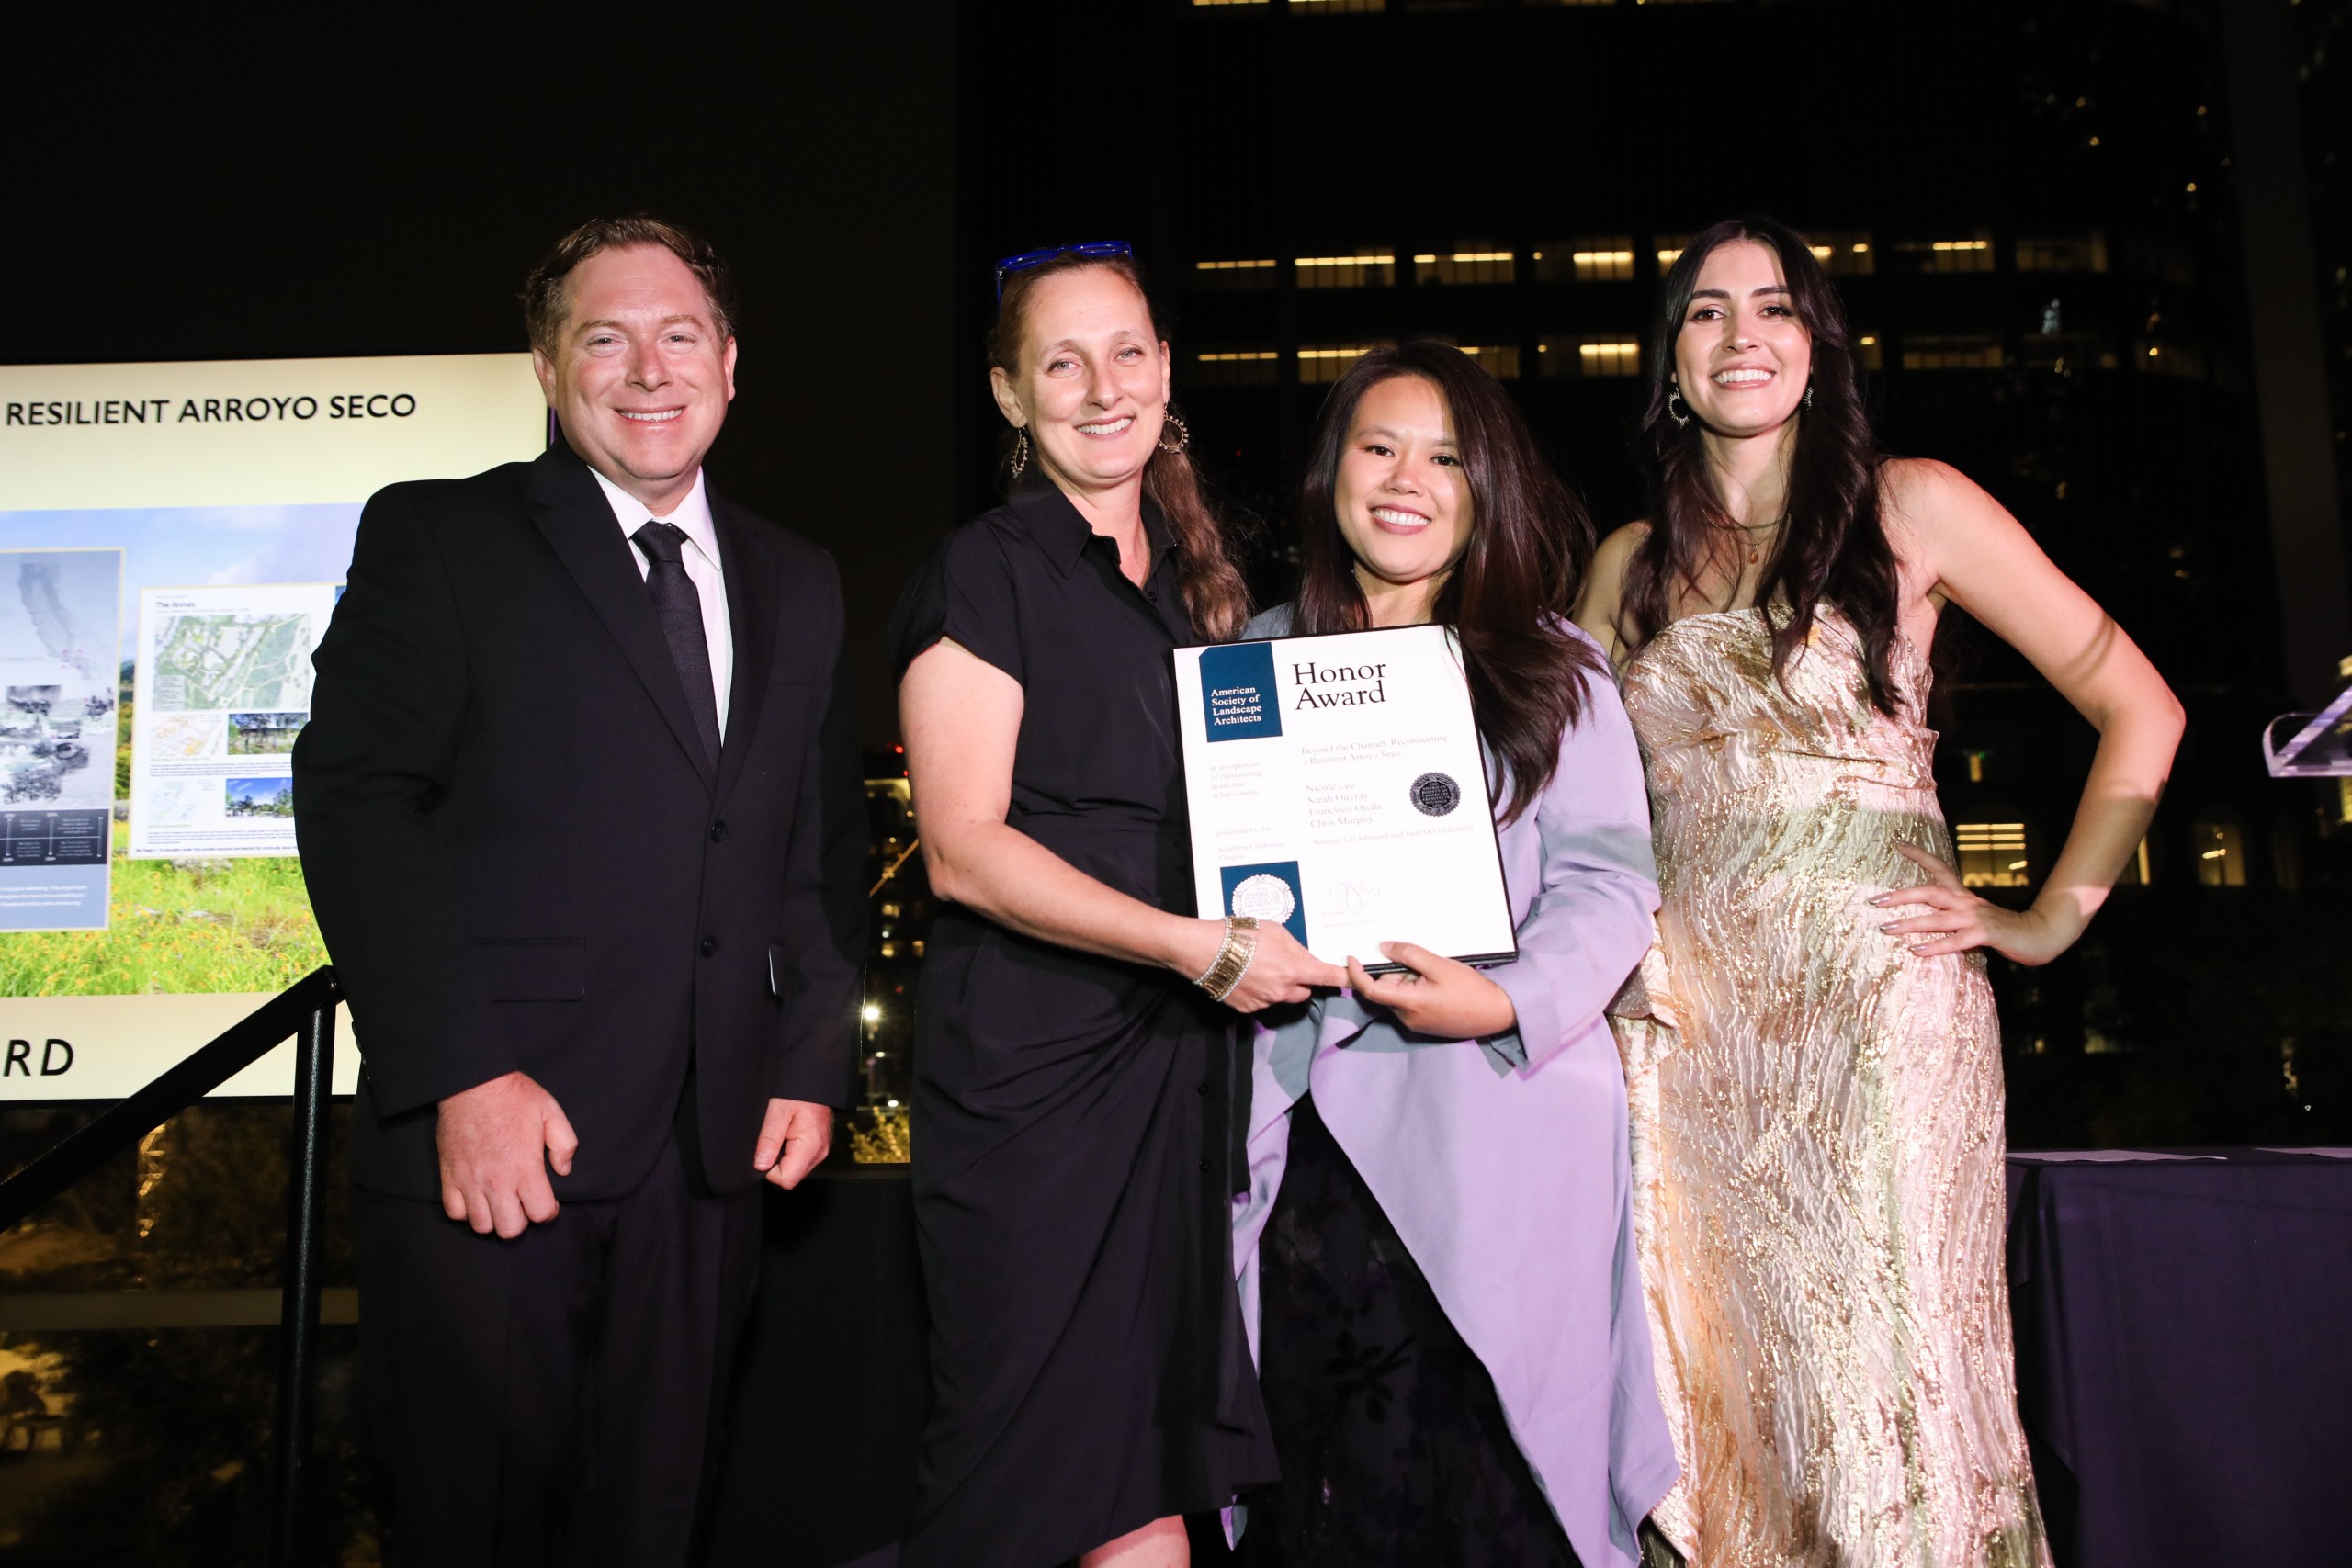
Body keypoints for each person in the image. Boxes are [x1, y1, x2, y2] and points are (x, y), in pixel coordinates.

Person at [1577, 218, 2185, 1567]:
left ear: (1818, 346)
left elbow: (2143, 708)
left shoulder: (1915, 505)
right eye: (1707, 311)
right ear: (1670, 360)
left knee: (1886, 1395)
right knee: (1726, 1404)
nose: (1742, 335)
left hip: (1878, 1026)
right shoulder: (1626, 564)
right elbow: (1568, 811)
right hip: (1690, 1051)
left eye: (1775, 307)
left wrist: (2046, 920)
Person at [294, 216, 866, 1566]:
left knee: (657, 1529)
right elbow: (359, 803)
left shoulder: (799, 579)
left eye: (679, 336)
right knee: (481, 1531)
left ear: (730, 363)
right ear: (548, 371)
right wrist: (462, 1074)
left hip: (714, 1157)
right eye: (605, 339)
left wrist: (808, 1062)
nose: (648, 370)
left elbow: (814, 847)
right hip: (502, 1145)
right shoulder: (441, 536)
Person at [889, 243, 1337, 1568]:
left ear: (1167, 371)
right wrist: (1195, 949)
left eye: (1126, 353)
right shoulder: (986, 569)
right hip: (1034, 1083)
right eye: (1062, 363)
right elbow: (962, 851)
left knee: (1145, 1473)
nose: (1102, 389)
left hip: (1178, 1080)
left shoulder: (1195, 591)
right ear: (1009, 395)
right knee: (1022, 1478)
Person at [1228, 342, 1679, 1568]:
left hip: (1496, 1116)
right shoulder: (1252, 659)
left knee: (1489, 1485)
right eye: (1379, 447)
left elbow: (1611, 886)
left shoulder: (1552, 663)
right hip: (1305, 1130)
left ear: (1486, 492)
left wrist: (1503, 1001)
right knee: (1320, 1490)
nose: (1406, 480)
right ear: (1332, 471)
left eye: (1445, 458)